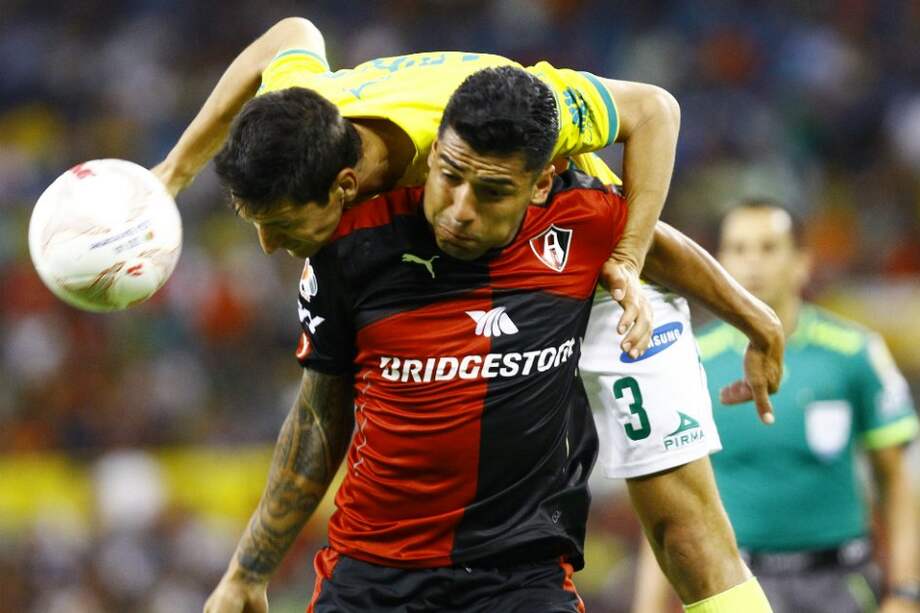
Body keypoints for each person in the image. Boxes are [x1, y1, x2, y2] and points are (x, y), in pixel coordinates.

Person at [155, 18, 781, 611]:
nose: (269, 245)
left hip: (596, 266)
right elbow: (290, 34)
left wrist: (631, 259)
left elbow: (653, 112)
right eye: (449, 181)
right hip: (520, 248)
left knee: (687, 533)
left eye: (285, 225)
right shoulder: (310, 118)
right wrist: (172, 173)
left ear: (344, 187)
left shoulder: (530, 134)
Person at [633, 200, 920, 613]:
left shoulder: (855, 353)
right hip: (737, 586)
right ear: (716, 262)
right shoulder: (688, 359)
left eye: (768, 248)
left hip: (841, 586)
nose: (752, 262)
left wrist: (905, 590)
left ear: (802, 262)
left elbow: (895, 479)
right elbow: (666, 500)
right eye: (738, 248)